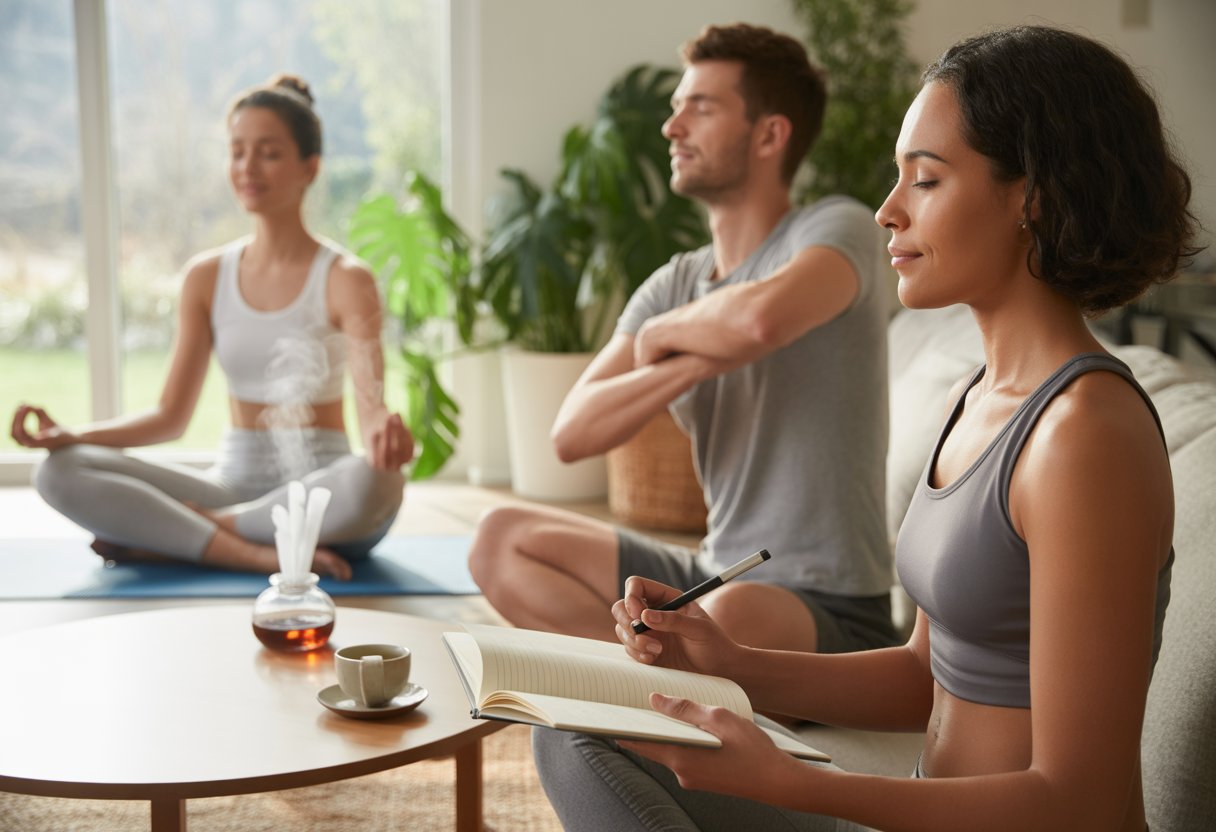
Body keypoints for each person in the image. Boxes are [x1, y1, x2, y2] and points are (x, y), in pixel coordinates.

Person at [532, 24, 1198, 831]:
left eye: (925, 180)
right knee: (576, 733)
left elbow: (1079, 800)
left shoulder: (1084, 434)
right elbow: (927, 675)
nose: (888, 212)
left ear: (1033, 195)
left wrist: (788, 782)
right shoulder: (980, 397)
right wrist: (733, 665)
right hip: (914, 808)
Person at [468, 23, 897, 655]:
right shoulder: (676, 280)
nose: (672, 128)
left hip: (826, 603)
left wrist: (663, 338)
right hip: (711, 574)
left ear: (770, 135)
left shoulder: (837, 227)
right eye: (675, 109)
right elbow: (574, 432)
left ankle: (633, 687)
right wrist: (690, 361)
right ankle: (635, 678)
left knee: (732, 613)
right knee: (498, 538)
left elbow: (760, 322)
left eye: (700, 108)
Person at [9, 75, 413, 580]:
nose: (247, 167)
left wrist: (384, 436)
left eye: (268, 153)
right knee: (59, 471)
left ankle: (195, 535)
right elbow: (169, 417)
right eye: (237, 151)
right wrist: (72, 435)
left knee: (381, 478)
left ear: (310, 167)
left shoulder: (346, 279)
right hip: (229, 486)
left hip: (322, 500)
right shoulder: (205, 277)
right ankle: (249, 552)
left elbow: (372, 410)